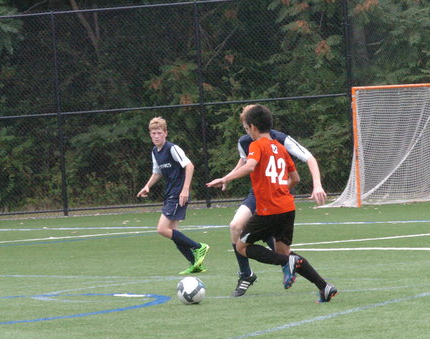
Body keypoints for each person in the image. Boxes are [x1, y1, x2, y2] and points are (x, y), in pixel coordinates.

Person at [206, 104, 337, 303]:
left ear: (252, 127)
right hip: (287, 208)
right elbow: (295, 178)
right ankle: (324, 287)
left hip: (268, 210)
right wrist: (279, 189)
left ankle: (276, 265)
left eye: (247, 128)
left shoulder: (256, 145)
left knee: (241, 246)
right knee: (283, 252)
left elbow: (250, 166)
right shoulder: (281, 149)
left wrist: (226, 179)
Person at [137, 116, 209, 274]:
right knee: (174, 232)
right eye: (153, 133)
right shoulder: (155, 152)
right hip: (170, 192)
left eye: (159, 133)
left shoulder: (172, 148)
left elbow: (189, 166)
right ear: (150, 134)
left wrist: (185, 189)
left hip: (178, 193)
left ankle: (199, 247)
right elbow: (157, 172)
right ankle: (195, 264)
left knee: (162, 229)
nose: (156, 136)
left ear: (165, 133)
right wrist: (147, 186)